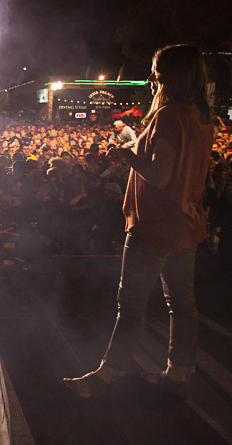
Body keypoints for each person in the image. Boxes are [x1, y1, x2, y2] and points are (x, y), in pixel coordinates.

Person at [64, 45, 214, 402]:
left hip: (155, 225)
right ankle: (178, 373)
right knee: (182, 303)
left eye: (156, 72)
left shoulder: (169, 116)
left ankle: (106, 376)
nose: (151, 79)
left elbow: (160, 177)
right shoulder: (201, 117)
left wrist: (127, 155)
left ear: (171, 76)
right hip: (186, 223)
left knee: (131, 306)